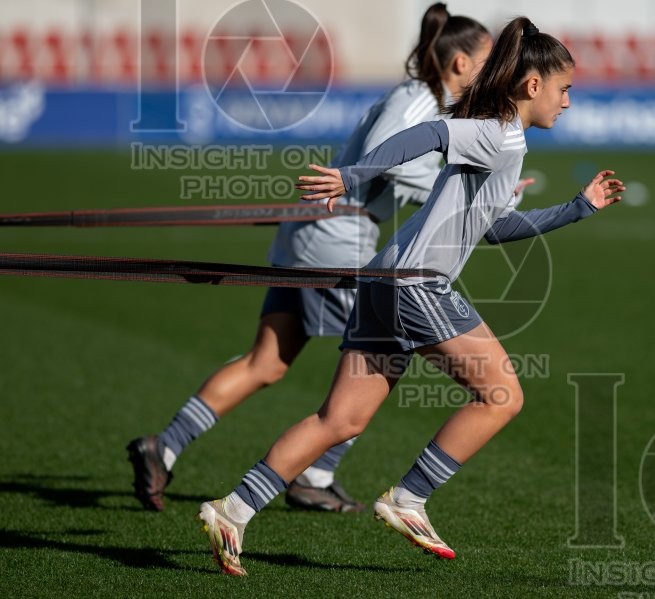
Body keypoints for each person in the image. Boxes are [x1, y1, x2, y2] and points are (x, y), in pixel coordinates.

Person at [197, 16, 625, 576]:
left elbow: (494, 229)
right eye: (565, 88)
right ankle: (409, 497)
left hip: (384, 281)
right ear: (533, 85)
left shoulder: (505, 140)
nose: (568, 102)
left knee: (341, 420)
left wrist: (577, 208)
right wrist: (352, 177)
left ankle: (233, 509)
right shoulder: (498, 132)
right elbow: (430, 134)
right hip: (416, 284)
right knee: (502, 395)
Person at [126, 3, 492, 514]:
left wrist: (467, 191)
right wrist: (456, 189)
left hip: (314, 228)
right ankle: (313, 475)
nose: (492, 72)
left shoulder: (427, 103)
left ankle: (162, 447)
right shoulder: (420, 100)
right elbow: (384, 154)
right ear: (459, 64)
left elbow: (392, 173)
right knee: (387, 352)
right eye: (488, 60)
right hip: (335, 234)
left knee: (266, 362)